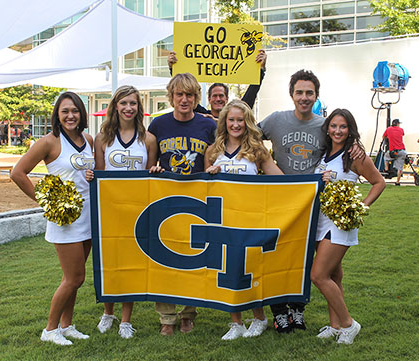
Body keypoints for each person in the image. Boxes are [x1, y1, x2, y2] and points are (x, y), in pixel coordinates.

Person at [258, 69, 364, 333]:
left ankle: (300, 311)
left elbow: (342, 144)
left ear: (316, 95)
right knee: (279, 256)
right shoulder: (275, 120)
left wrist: (356, 145)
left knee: (308, 262)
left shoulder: (323, 126)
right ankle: (280, 312)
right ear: (291, 94)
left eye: (309, 93)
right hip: (281, 200)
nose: (304, 97)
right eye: (299, 92)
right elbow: (243, 132)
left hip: (314, 205)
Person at [11, 92, 94, 346]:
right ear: (57, 115)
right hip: (65, 219)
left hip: (88, 216)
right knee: (74, 278)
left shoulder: (88, 139)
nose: (70, 116)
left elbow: (87, 173)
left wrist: (91, 174)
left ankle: (67, 325)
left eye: (75, 111)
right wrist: (47, 201)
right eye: (65, 111)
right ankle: (50, 329)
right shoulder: (49, 141)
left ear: (82, 113)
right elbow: (18, 172)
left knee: (75, 278)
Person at [204, 99, 283, 340]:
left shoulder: (257, 149)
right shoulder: (213, 151)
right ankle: (235, 322)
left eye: (240, 120)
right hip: (222, 219)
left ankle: (259, 318)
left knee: (249, 269)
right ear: (224, 122)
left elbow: (279, 179)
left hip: (249, 218)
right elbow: (203, 187)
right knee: (228, 271)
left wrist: (310, 183)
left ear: (247, 122)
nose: (236, 125)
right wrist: (209, 174)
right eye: (231, 120)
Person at [85, 85, 158, 339]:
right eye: (124, 103)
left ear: (139, 107)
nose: (129, 108)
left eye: (133, 103)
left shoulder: (147, 139)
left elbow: (151, 177)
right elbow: (99, 172)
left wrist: (156, 172)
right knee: (110, 262)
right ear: (115, 105)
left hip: (137, 211)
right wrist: (91, 174)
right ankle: (108, 312)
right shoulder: (103, 138)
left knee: (131, 264)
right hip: (110, 210)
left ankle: (126, 319)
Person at [147, 73, 217, 335]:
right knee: (164, 260)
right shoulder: (158, 125)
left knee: (193, 260)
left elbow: (212, 161)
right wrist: (154, 170)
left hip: (197, 201)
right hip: (165, 199)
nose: (184, 99)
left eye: (189, 95)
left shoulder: (207, 126)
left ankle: (188, 313)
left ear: (196, 97)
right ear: (171, 97)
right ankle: (166, 317)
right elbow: (151, 163)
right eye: (179, 94)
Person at [312, 108, 385, 344]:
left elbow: (378, 182)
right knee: (334, 275)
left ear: (350, 129)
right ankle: (335, 327)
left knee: (319, 275)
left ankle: (349, 324)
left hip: (340, 223)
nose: (337, 131)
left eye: (343, 126)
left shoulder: (355, 155)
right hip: (321, 221)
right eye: (333, 126)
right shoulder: (325, 153)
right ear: (327, 128)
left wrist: (361, 207)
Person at [167, 49, 267, 120]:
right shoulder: (203, 116)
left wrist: (260, 70)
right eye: (214, 96)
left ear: (227, 99)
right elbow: (185, 89)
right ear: (209, 99)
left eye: (221, 96)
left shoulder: (234, 119)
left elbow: (249, 99)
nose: (218, 99)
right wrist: (174, 68)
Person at [382, 119, 406, 186]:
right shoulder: (401, 130)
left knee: (386, 157)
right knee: (400, 167)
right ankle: (397, 181)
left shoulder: (389, 129)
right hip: (402, 150)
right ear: (397, 124)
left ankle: (386, 170)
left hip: (392, 151)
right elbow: (402, 134)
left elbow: (383, 137)